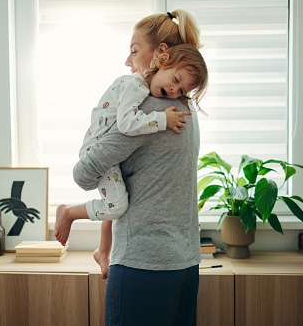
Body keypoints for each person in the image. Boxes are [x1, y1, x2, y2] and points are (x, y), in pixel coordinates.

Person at [73, 52, 205, 325]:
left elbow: (84, 174)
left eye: (135, 49)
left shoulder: (150, 110)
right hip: (186, 260)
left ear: (160, 53)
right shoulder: (184, 110)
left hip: (143, 262)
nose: (128, 60)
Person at [54, 43, 207, 247]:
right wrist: (163, 119)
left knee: (117, 205)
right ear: (163, 61)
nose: (173, 90)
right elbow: (127, 124)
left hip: (106, 152)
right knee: (116, 207)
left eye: (181, 91)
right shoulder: (134, 84)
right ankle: (68, 212)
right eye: (176, 80)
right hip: (95, 147)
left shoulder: (143, 91)